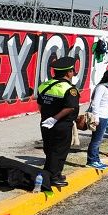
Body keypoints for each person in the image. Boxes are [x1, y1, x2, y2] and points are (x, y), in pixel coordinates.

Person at [36, 57, 81, 187]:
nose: (73, 73)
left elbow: (39, 104)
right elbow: (70, 107)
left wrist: (46, 117)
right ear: (69, 73)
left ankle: (52, 173)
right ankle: (54, 177)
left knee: (49, 149)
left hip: (45, 123)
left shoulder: (45, 85)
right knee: (59, 151)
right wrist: (55, 118)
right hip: (61, 124)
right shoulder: (69, 89)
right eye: (72, 71)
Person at [86, 68, 108, 169]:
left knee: (98, 139)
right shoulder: (102, 88)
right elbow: (95, 102)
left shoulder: (107, 88)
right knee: (96, 140)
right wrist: (96, 117)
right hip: (100, 117)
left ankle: (95, 159)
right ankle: (91, 160)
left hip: (104, 116)